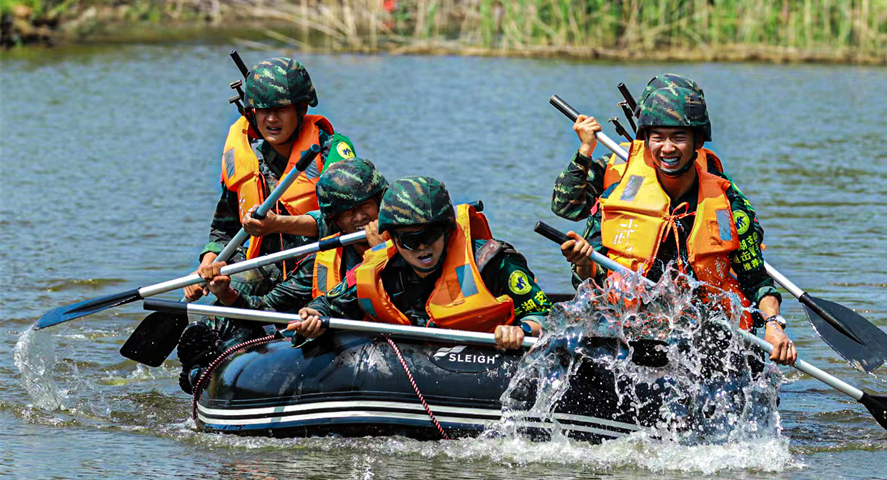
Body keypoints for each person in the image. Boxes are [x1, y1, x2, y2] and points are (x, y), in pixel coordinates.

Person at [558, 84, 797, 365]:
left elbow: (757, 280)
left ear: (698, 142)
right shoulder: (617, 199)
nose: (667, 148)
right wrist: (583, 261)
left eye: (678, 138)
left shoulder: (728, 206)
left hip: (705, 338)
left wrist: (773, 324)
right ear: (646, 142)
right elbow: (589, 282)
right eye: (657, 137)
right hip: (633, 334)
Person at [176, 158, 386, 394]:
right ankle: (209, 369)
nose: (358, 218)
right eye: (347, 212)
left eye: (365, 206)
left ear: (381, 203)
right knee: (251, 325)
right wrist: (226, 294)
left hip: (399, 348)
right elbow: (267, 309)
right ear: (335, 221)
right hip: (342, 351)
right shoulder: (322, 262)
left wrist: (379, 254)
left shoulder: (411, 244)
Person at [290, 176, 551, 351]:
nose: (422, 247)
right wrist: (313, 317)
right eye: (410, 240)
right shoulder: (381, 269)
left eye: (429, 235)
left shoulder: (493, 261)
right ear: (391, 238)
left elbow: (549, 316)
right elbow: (327, 304)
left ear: (448, 230)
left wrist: (523, 329)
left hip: (485, 355)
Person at [184, 56, 357, 302]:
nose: (272, 119)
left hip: (325, 263)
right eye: (263, 110)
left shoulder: (331, 154)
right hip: (267, 268)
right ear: (251, 113)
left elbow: (352, 222)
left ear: (302, 109)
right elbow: (224, 229)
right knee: (227, 300)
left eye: (281, 109)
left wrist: (278, 224)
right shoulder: (248, 160)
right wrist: (208, 264)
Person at [551, 74, 724, 221]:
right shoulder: (618, 163)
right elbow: (565, 206)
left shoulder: (707, 169)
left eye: (678, 134)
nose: (668, 147)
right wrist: (585, 149)